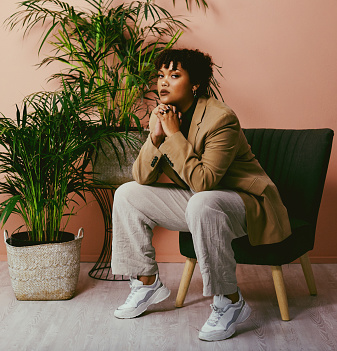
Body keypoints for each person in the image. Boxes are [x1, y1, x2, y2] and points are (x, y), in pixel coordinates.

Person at [111, 48, 291, 341]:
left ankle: (229, 301)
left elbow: (205, 181)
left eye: (175, 75)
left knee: (203, 201)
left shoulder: (222, 119)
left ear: (194, 84)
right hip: (199, 202)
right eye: (161, 76)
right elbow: (142, 177)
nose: (163, 82)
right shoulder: (166, 116)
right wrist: (155, 137)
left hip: (244, 203)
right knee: (128, 193)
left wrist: (173, 136)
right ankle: (146, 282)